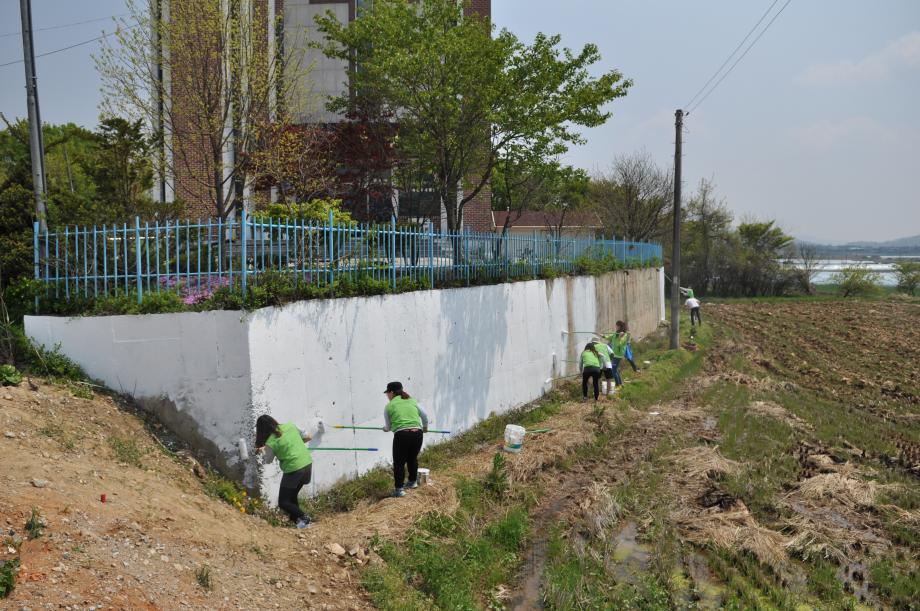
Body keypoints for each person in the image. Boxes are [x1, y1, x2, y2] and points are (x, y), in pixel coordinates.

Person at [254, 415, 313, 529]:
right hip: (307, 464)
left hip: (294, 469)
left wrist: (263, 451)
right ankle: (298, 522)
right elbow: (308, 437)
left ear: (262, 430)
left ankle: (305, 518)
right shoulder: (291, 425)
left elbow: (268, 461)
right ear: (273, 421)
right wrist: (291, 444)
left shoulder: (271, 442)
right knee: (292, 495)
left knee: (283, 502)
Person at [382, 381, 429, 498]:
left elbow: (388, 427)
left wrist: (385, 429)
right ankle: (412, 482)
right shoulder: (412, 401)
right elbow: (424, 415)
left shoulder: (389, 406)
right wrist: (425, 428)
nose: (387, 395)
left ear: (391, 392)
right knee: (412, 458)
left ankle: (399, 489)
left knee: (399, 463)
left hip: (402, 435)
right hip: (417, 434)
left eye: (387, 393)